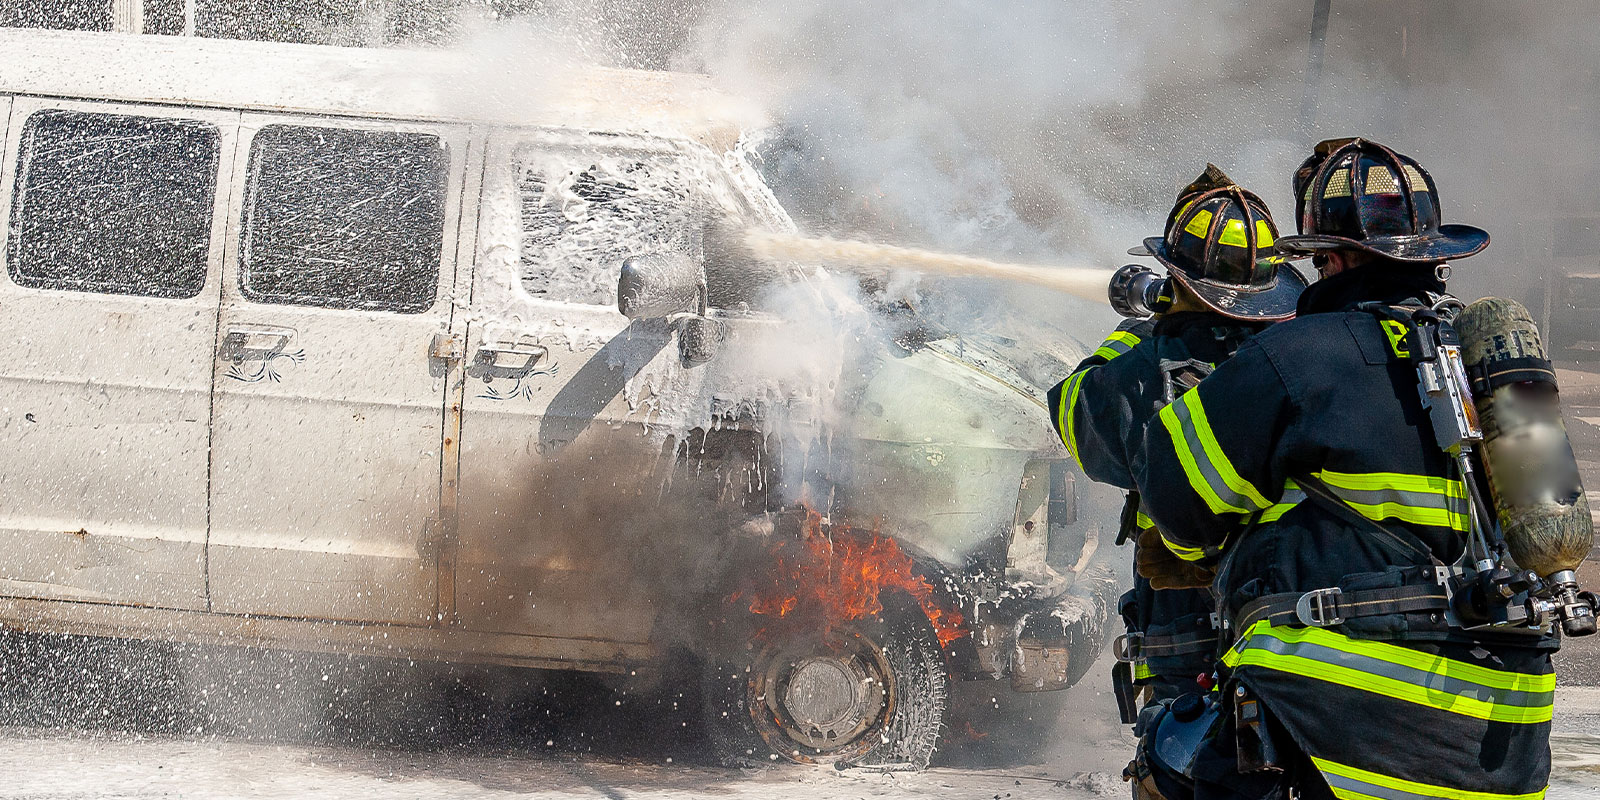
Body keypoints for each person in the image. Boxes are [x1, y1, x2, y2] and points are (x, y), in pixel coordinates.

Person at [1134, 138, 1554, 800]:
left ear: (1329, 258)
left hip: (1353, 720)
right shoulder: (1480, 362)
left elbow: (1174, 493)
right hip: (1509, 739)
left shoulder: (1296, 357)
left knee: (1171, 755)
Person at [1048, 165, 1307, 798]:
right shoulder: (1295, 355)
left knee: (1181, 753)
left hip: (1180, 608)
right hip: (1287, 596)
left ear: (1179, 277)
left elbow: (1076, 412)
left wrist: (1140, 329)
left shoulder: (1146, 363)